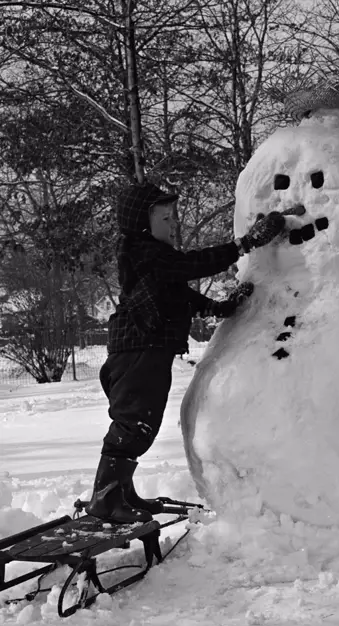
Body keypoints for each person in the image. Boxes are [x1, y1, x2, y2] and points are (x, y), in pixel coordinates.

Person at [86, 182, 287, 524]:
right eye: (165, 218)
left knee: (142, 424)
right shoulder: (142, 250)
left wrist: (219, 307)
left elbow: (179, 293)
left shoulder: (154, 260)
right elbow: (190, 266)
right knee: (134, 424)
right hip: (138, 352)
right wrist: (245, 244)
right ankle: (105, 498)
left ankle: (120, 491)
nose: (172, 225)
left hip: (145, 351)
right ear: (143, 224)